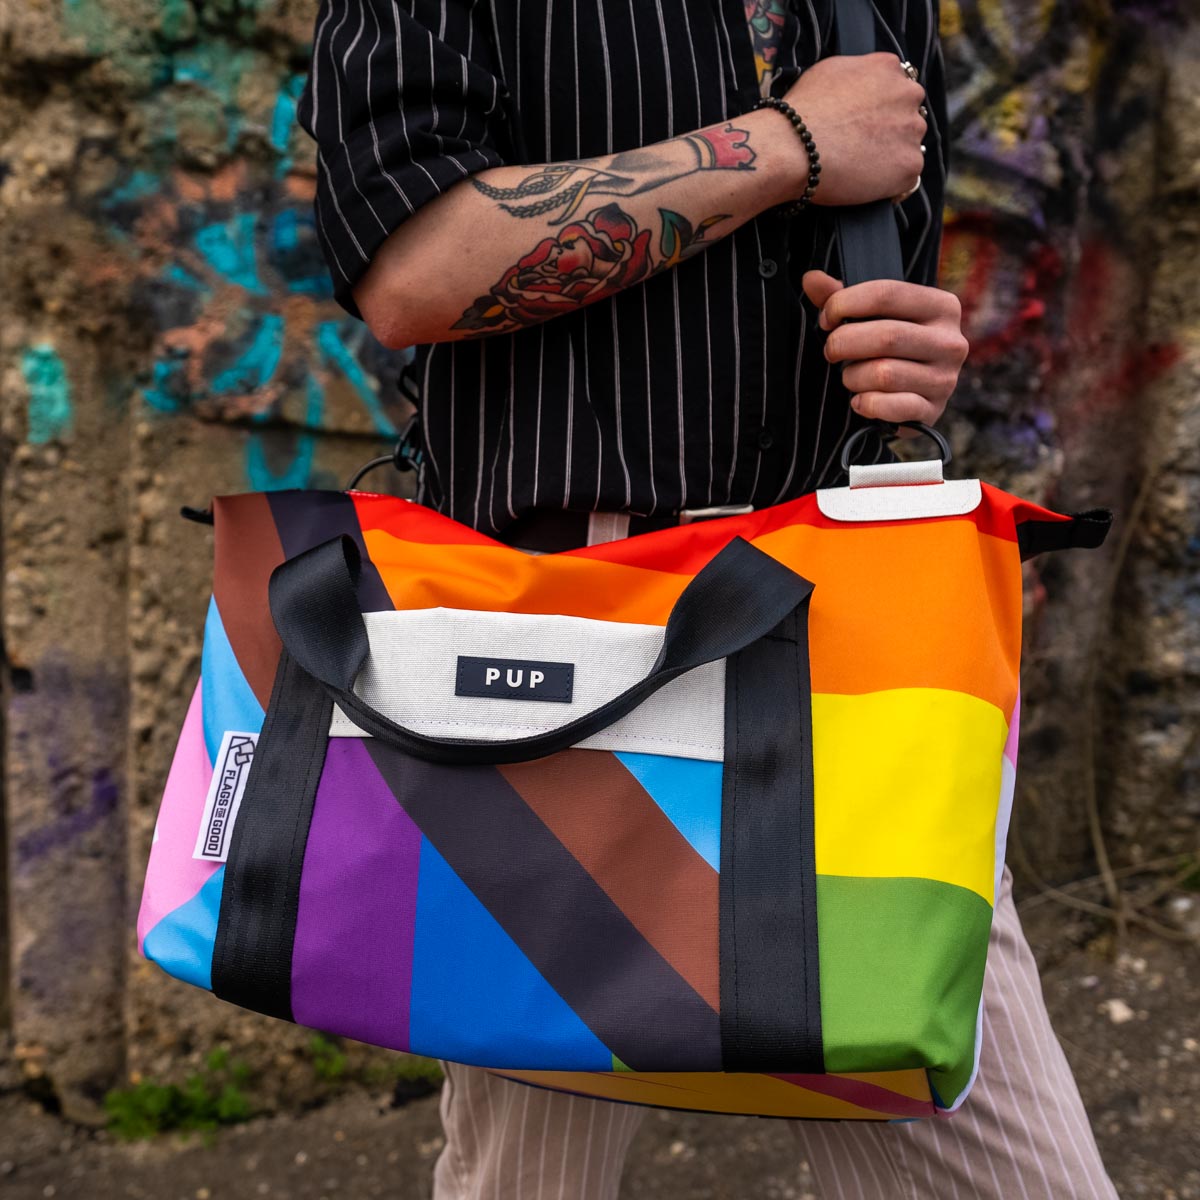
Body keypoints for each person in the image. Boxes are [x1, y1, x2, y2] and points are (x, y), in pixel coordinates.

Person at [296, 2, 1118, 1195]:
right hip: (556, 686)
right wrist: (793, 142)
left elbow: (868, 282)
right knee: (532, 1180)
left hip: (836, 675)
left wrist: (907, 347)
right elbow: (414, 269)